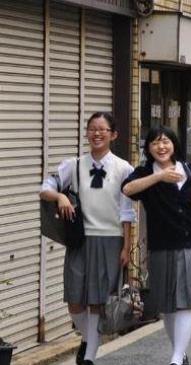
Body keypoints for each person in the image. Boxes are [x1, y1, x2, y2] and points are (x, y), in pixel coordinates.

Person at [121, 126, 191, 365]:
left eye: (166, 141)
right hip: (161, 246)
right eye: (155, 143)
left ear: (174, 144)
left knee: (185, 301)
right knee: (167, 304)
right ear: (148, 148)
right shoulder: (145, 172)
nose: (161, 147)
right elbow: (127, 189)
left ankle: (176, 359)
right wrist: (159, 176)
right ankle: (180, 352)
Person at [40, 112, 136, 365]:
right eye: (92, 129)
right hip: (80, 240)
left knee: (97, 301)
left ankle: (89, 357)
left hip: (110, 239)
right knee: (75, 301)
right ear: (86, 133)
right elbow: (45, 187)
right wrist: (59, 196)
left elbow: (127, 211)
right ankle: (87, 339)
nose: (96, 134)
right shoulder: (74, 165)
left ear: (113, 135)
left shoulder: (124, 168)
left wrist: (127, 246)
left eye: (102, 129)